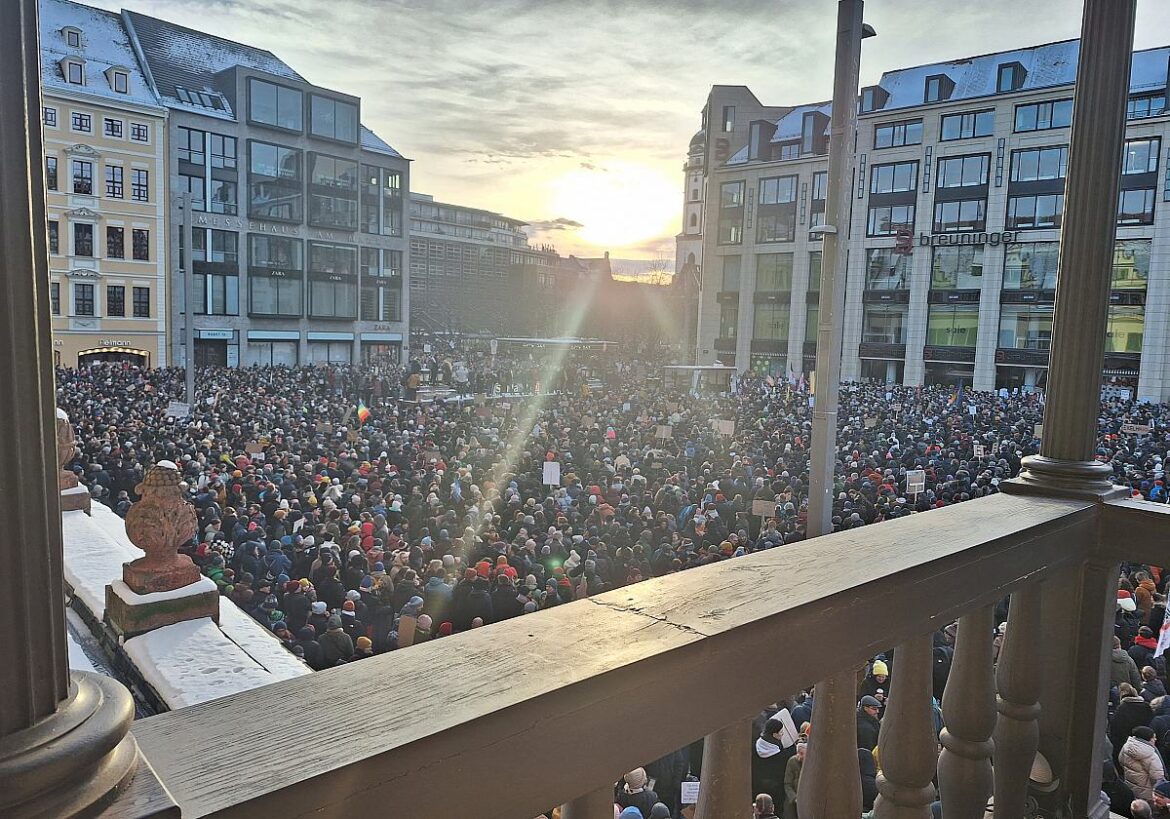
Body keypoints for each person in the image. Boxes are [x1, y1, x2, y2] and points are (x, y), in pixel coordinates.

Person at [1122, 727, 1167, 802]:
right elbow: (1157, 778)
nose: (1155, 739)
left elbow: (1121, 761)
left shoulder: (1126, 746)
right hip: (1147, 793)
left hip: (1131, 786)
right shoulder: (1150, 755)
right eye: (1153, 737)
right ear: (1147, 739)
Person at [782, 741, 805, 819]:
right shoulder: (792, 761)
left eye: (802, 753)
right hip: (792, 800)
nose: (800, 755)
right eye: (798, 752)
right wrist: (794, 798)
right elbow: (787, 783)